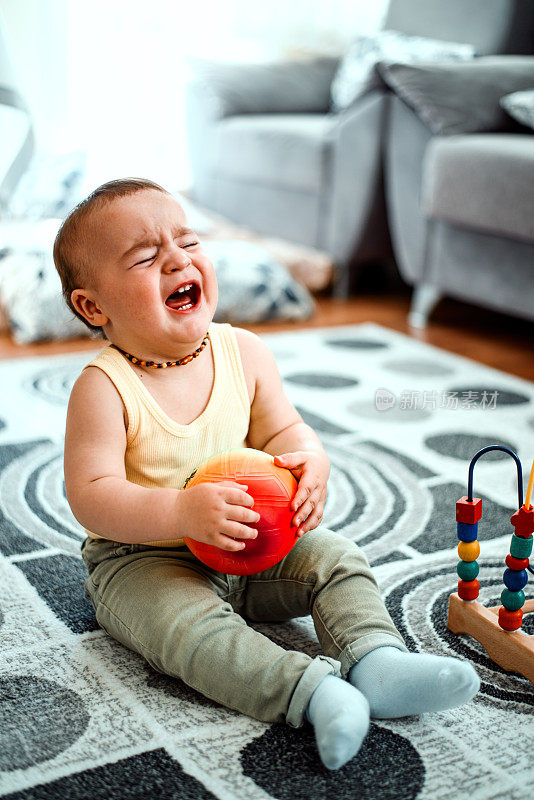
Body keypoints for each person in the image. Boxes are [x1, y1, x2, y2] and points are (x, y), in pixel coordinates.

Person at [55, 178, 480, 771]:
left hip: (255, 545)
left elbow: (285, 430)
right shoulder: (103, 388)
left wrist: (311, 459)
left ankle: (374, 660)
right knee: (184, 631)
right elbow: (91, 496)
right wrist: (180, 513)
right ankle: (312, 693)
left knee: (335, 556)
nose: (178, 259)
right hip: (145, 559)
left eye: (187, 241)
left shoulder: (244, 353)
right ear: (93, 306)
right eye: (148, 258)